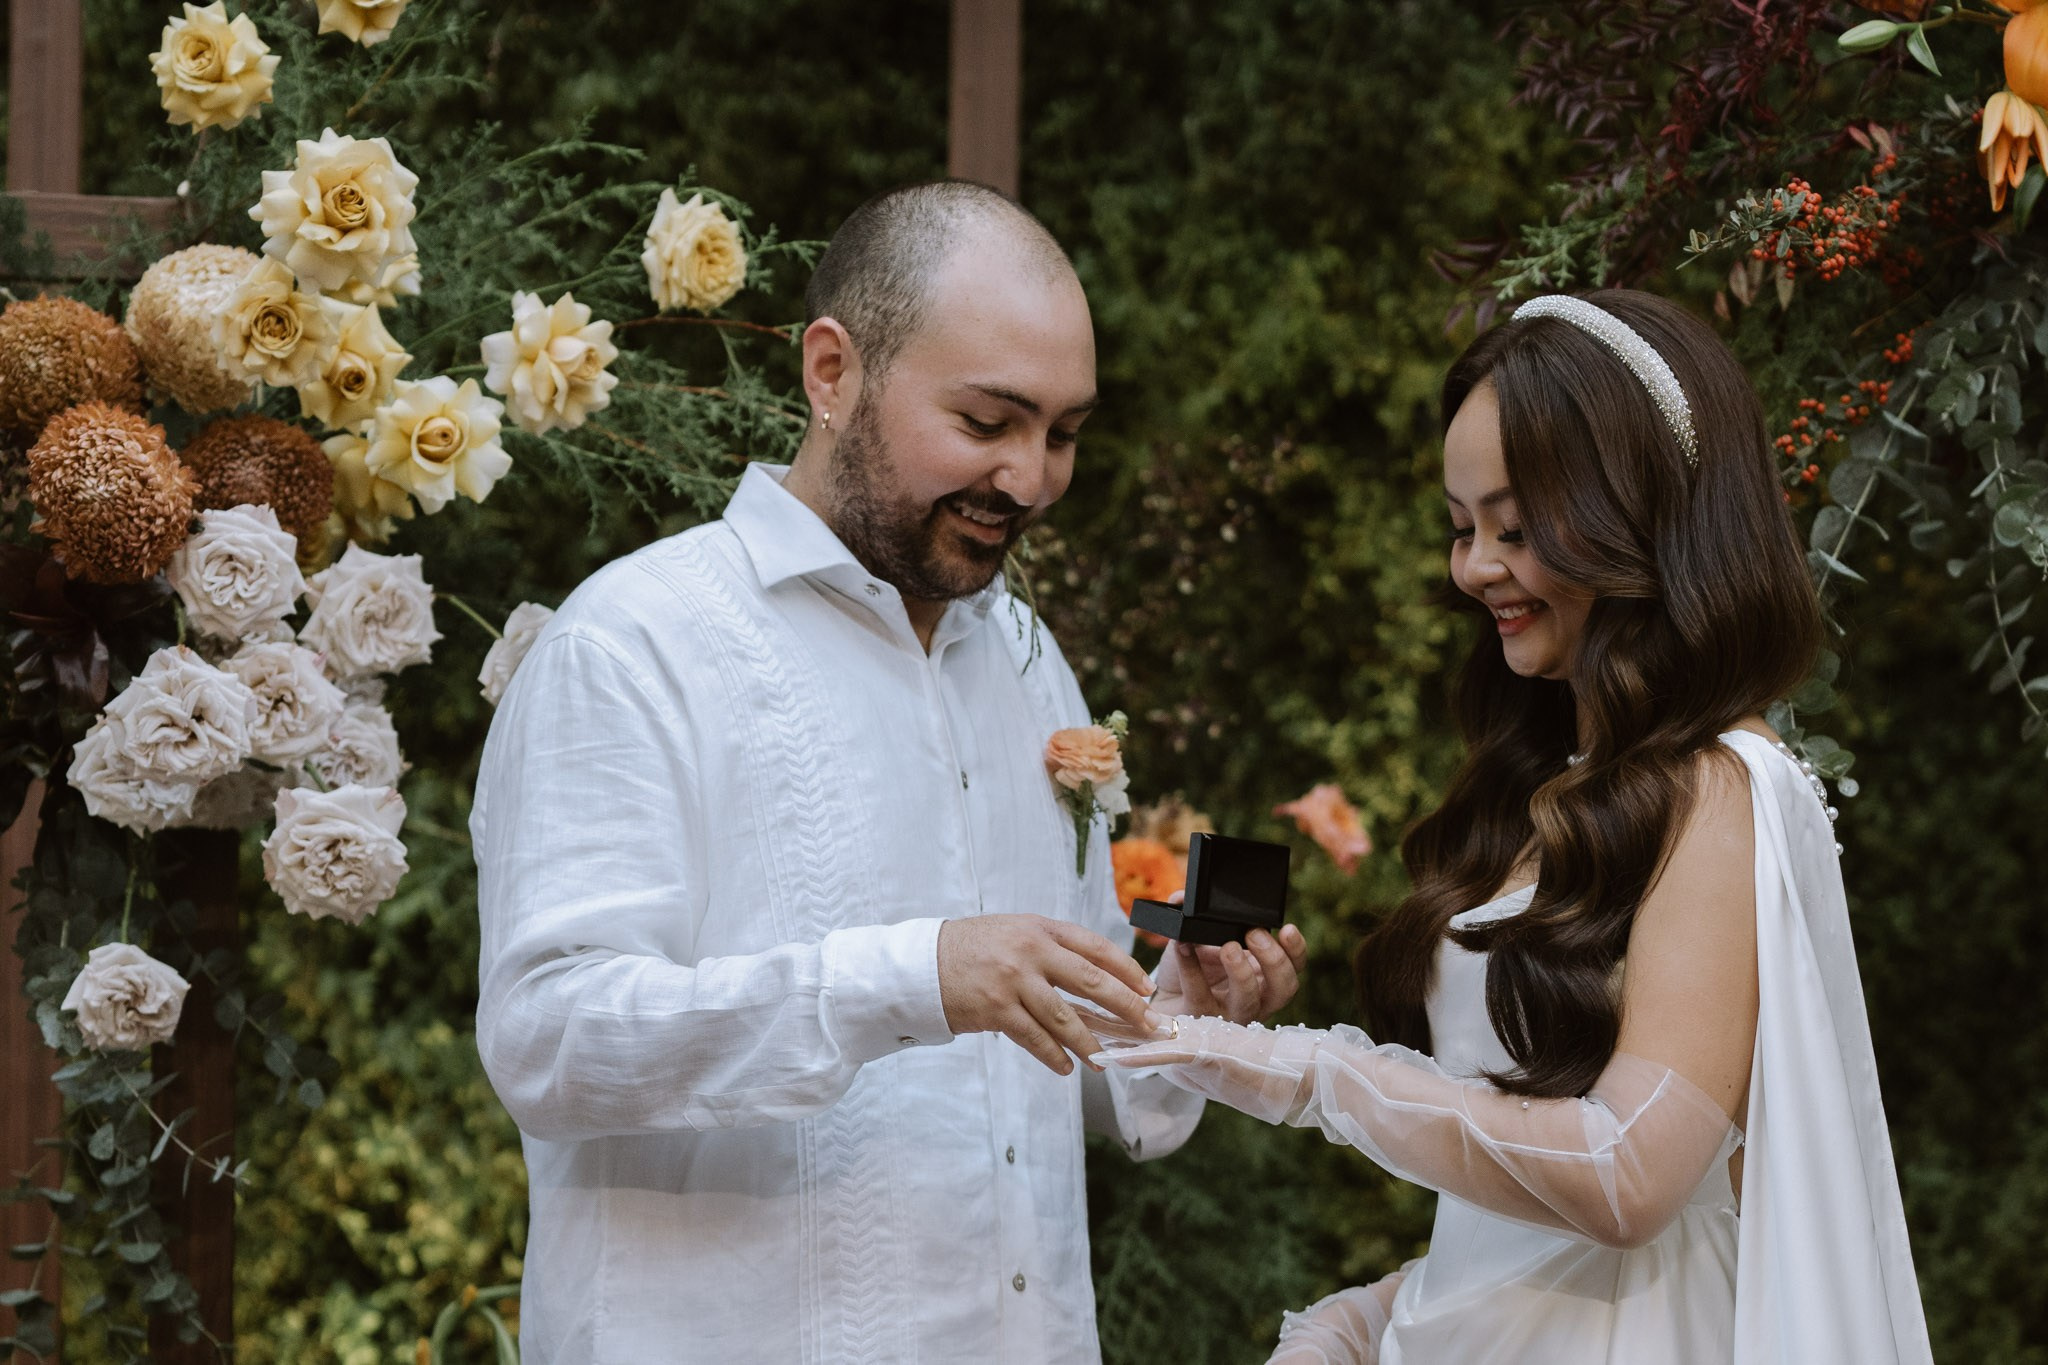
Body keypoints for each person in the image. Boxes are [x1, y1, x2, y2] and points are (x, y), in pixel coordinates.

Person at [470, 179, 1310, 1364]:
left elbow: (1056, 1060)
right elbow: (549, 1043)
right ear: (832, 373)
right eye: (987, 422)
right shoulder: (633, 643)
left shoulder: (1024, 660)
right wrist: (909, 977)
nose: (1031, 478)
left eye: (1062, 434)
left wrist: (1179, 1014)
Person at [1093, 290, 1934, 1364]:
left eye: (1515, 528)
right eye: (1461, 528)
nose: (1474, 568)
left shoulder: (1722, 790)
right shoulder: (1558, 787)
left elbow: (1630, 1177)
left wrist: (1308, 1074)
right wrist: (1367, 1323)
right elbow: (1519, 1225)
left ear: (1636, 519)